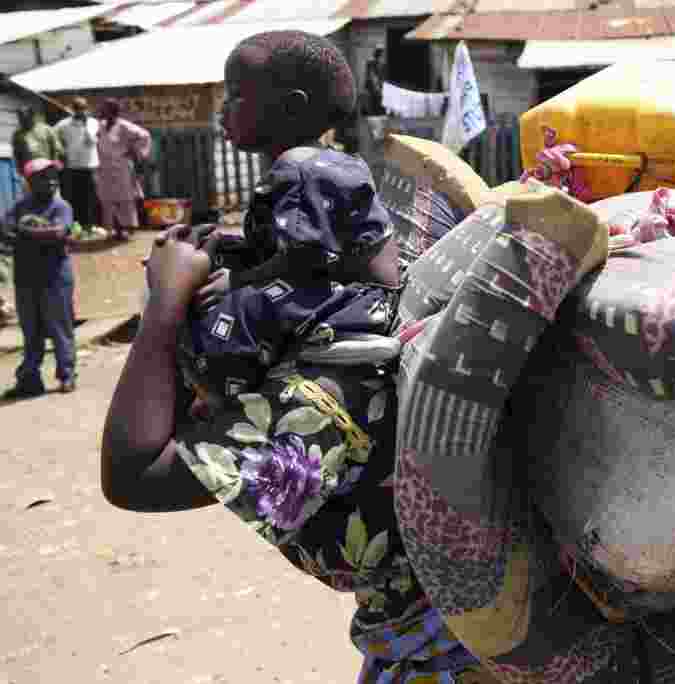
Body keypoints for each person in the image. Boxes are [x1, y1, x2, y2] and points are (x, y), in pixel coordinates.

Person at [101, 30, 500, 683]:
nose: (221, 109)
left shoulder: (334, 377)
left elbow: (135, 473)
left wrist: (167, 305)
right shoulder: (329, 183)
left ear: (286, 107)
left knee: (226, 329)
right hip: (430, 631)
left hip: (445, 657)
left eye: (235, 95)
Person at [1, 159, 77, 399]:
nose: (52, 181)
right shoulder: (20, 206)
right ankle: (30, 379)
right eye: (45, 177)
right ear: (30, 182)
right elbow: (4, 231)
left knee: (59, 328)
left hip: (55, 278)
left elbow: (58, 233)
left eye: (54, 176)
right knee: (31, 331)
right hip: (26, 279)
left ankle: (67, 374)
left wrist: (24, 233)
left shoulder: (61, 207)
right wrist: (38, 235)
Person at [95, 99, 151, 241]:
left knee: (124, 199)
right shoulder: (101, 125)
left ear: (113, 111)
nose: (102, 111)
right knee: (107, 199)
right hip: (105, 167)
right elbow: (99, 140)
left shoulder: (125, 126)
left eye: (105, 109)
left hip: (121, 167)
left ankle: (127, 228)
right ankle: (113, 230)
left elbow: (144, 136)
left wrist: (135, 152)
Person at [54, 97, 101, 230]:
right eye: (78, 109)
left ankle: (88, 227)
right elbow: (52, 136)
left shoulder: (93, 123)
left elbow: (90, 141)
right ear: (73, 109)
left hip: (89, 168)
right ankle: (73, 227)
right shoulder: (63, 124)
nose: (81, 112)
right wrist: (60, 151)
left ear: (87, 109)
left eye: (83, 109)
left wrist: (85, 125)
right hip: (71, 168)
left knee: (89, 200)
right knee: (72, 199)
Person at [11, 107, 63, 187]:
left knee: (50, 195)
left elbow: (57, 149)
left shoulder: (46, 129)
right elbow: (17, 154)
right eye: (21, 118)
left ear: (32, 116)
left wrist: (54, 169)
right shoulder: (17, 134)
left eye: (26, 118)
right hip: (29, 175)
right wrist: (20, 173)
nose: (24, 121)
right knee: (31, 197)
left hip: (47, 173)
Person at [362, 44, 386, 116]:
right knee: (373, 101)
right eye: (380, 52)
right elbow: (370, 75)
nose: (382, 54)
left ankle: (377, 112)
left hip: (377, 86)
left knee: (377, 100)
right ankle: (374, 112)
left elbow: (380, 75)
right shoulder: (371, 62)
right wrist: (376, 84)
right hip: (373, 87)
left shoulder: (381, 63)